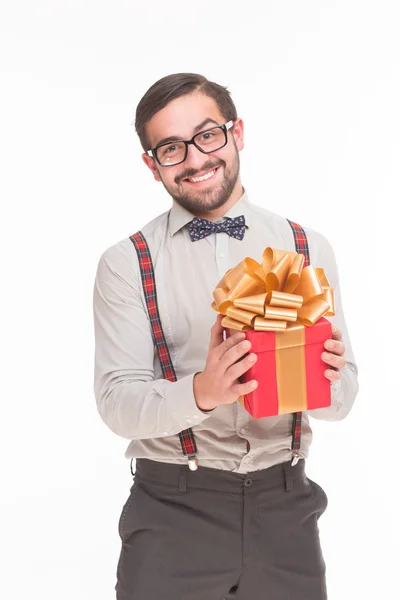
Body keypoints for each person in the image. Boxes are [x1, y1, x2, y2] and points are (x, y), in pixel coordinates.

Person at [92, 72, 359, 600]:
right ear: (152, 164)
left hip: (288, 510)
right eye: (171, 148)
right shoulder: (127, 263)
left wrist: (324, 379)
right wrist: (203, 392)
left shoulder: (307, 247)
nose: (194, 159)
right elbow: (116, 402)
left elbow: (345, 395)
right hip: (173, 511)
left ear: (238, 133)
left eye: (207, 135)